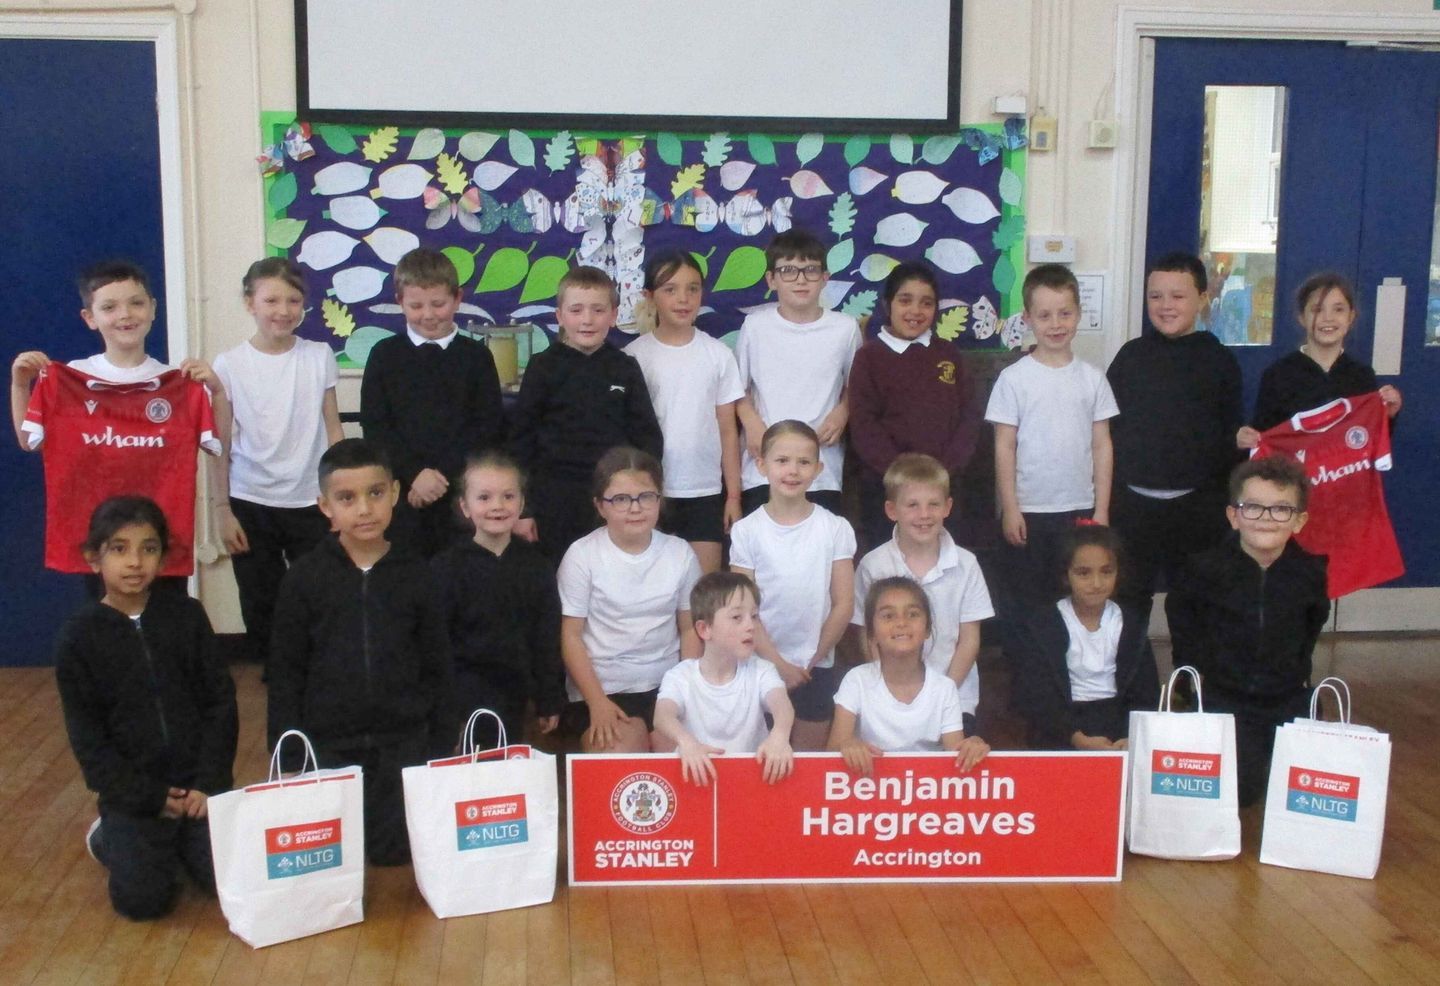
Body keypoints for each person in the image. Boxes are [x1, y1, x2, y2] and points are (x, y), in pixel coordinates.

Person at [268, 438, 452, 865]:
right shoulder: (304, 578)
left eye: (375, 493)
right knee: (336, 854)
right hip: (330, 744)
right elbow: (286, 672)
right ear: (325, 506)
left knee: (392, 854)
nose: (365, 509)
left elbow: (438, 666)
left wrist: (442, 748)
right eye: (347, 498)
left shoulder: (418, 574)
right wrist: (289, 756)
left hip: (403, 742)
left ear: (395, 493)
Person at [54, 496, 237, 920]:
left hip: (197, 788)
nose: (135, 562)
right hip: (135, 795)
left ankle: (180, 840)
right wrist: (149, 797)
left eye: (148, 548)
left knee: (229, 878)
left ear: (163, 557)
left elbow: (220, 702)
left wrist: (209, 782)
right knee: (142, 902)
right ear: (94, 558)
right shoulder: (78, 639)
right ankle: (108, 837)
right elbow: (89, 743)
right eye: (119, 549)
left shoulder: (187, 617)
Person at [11, 260, 228, 578]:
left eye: (136, 303)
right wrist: (20, 386)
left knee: (164, 611)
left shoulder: (178, 384)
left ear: (153, 309)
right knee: (103, 611)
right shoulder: (68, 380)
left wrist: (217, 392)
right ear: (90, 318)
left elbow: (218, 444)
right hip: (96, 545)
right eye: (109, 307)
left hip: (159, 546)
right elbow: (28, 442)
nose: (125, 314)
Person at [1166, 456, 1330, 808]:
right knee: (1241, 791)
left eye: (1281, 509)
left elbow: (1311, 626)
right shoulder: (1204, 569)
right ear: (1233, 516)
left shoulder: (1309, 573)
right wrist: (1193, 677)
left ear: (1299, 521)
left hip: (1286, 695)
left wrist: (1296, 675)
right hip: (1226, 697)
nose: (1266, 518)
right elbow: (1182, 618)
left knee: (1306, 789)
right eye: (1253, 507)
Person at [212, 257, 343, 668]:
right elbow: (220, 443)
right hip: (250, 499)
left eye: (293, 300)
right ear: (250, 303)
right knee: (260, 598)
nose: (283, 310)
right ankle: (276, 673)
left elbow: (333, 428)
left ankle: (317, 672)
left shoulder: (319, 355)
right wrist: (222, 509)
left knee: (319, 592)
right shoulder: (228, 364)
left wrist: (340, 498)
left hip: (311, 498)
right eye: (271, 300)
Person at [985, 264, 1118, 652]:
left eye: (1065, 313)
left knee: (1073, 596)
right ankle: (1028, 672)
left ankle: (1072, 667)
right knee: (1026, 600)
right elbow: (1004, 446)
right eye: (1044, 315)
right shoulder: (1014, 379)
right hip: (1029, 512)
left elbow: (1102, 445)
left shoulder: (1092, 378)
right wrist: (1010, 508)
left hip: (1079, 509)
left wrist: (1102, 510)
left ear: (1079, 314)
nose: (1056, 324)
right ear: (1028, 318)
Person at [1106, 252, 1242, 616]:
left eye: (1178, 296)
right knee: (1128, 602)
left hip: (1198, 509)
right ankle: (1133, 657)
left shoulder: (1220, 361)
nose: (1166, 306)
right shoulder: (1130, 357)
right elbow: (1107, 432)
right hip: (1133, 508)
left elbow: (1230, 436)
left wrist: (1225, 503)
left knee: (1193, 605)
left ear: (1202, 298)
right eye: (1156, 296)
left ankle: (1191, 657)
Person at [510, 266, 663, 561]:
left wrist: (638, 496)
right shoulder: (542, 367)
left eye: (598, 310)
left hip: (613, 498)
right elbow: (520, 442)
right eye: (576, 310)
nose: (587, 320)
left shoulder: (625, 367)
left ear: (613, 315)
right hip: (554, 498)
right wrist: (524, 510)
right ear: (559, 316)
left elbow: (647, 439)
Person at [360, 247, 504, 557]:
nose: (428, 314)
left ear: (457, 298)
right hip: (403, 495)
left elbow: (487, 427)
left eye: (438, 304)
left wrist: (439, 478)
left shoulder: (477, 357)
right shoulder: (384, 356)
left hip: (462, 498)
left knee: (461, 574)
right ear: (400, 302)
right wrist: (415, 474)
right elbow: (376, 427)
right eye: (416, 305)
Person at [558, 447, 702, 753]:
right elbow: (570, 636)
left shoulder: (680, 553)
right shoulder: (582, 555)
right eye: (621, 499)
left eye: (646, 497)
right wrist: (597, 702)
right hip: (604, 689)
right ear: (600, 506)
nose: (635, 508)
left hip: (666, 686)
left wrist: (686, 692)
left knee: (681, 753)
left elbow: (690, 628)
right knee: (623, 758)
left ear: (659, 500)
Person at [729, 420, 856, 751]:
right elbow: (742, 608)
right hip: (759, 663)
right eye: (782, 460)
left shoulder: (835, 528)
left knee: (808, 760)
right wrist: (777, 663)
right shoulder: (746, 531)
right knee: (761, 758)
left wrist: (812, 658)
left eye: (803, 462)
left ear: (818, 469)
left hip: (815, 667)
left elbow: (844, 603)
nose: (793, 470)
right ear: (761, 465)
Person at [851, 454, 993, 738]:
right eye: (912, 505)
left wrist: (941, 694)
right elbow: (867, 634)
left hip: (954, 696)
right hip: (888, 700)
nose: (924, 514)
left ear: (948, 507)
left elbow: (969, 639)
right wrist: (885, 689)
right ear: (892, 510)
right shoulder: (873, 565)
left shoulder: (966, 565)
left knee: (957, 765)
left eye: (933, 504)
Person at [431, 451, 564, 749]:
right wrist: (445, 709)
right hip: (464, 699)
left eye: (508, 496)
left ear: (522, 503)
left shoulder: (537, 566)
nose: (497, 506)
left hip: (520, 696)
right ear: (465, 506)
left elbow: (545, 639)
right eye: (484, 497)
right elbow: (437, 644)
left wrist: (548, 698)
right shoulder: (445, 568)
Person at [847, 261, 980, 551]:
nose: (915, 311)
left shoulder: (948, 354)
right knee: (890, 565)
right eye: (905, 301)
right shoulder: (870, 357)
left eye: (926, 303)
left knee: (943, 561)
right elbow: (864, 425)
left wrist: (942, 473)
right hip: (887, 490)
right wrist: (902, 477)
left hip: (943, 487)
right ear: (888, 305)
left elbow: (969, 417)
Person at [626, 251, 744, 573]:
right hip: (648, 490)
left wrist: (733, 496)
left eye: (692, 289)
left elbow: (728, 430)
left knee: (702, 588)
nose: (683, 299)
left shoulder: (718, 354)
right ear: (650, 296)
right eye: (670, 289)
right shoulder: (633, 357)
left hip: (704, 491)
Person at [734, 229, 862, 516]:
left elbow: (857, 387)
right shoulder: (755, 326)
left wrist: (843, 411)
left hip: (822, 469)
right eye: (788, 270)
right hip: (762, 468)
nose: (801, 280)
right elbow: (736, 388)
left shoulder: (845, 328)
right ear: (771, 279)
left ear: (825, 278)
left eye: (810, 270)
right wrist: (751, 423)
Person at [1012, 525, 1160, 750]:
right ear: (1065, 575)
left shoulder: (1131, 624)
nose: (1096, 583)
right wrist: (1075, 737)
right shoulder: (1044, 624)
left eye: (1106, 572)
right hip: (1063, 728)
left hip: (1119, 728)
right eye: (1084, 573)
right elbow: (1036, 693)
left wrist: (1131, 735)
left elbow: (1146, 690)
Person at [828, 577, 990, 776]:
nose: (901, 623)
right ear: (871, 633)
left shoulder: (944, 688)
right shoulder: (856, 681)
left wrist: (972, 747)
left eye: (913, 614)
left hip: (927, 788)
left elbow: (955, 759)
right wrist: (848, 746)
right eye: (888, 616)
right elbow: (830, 755)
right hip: (867, 788)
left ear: (928, 629)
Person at [652, 571, 795, 786]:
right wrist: (687, 743)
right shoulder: (680, 676)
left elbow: (782, 705)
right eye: (737, 617)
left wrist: (780, 735)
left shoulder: (762, 670)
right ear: (704, 629)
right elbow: (662, 716)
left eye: (754, 616)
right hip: (697, 783)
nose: (750, 626)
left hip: (751, 782)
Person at [1237, 272, 1402, 445]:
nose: (1328, 318)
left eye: (1338, 309)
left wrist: (1388, 415)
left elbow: (1370, 441)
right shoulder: (1277, 375)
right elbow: (1264, 441)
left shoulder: (1362, 376)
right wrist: (1247, 441)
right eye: (1317, 310)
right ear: (1302, 317)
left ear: (1351, 317)